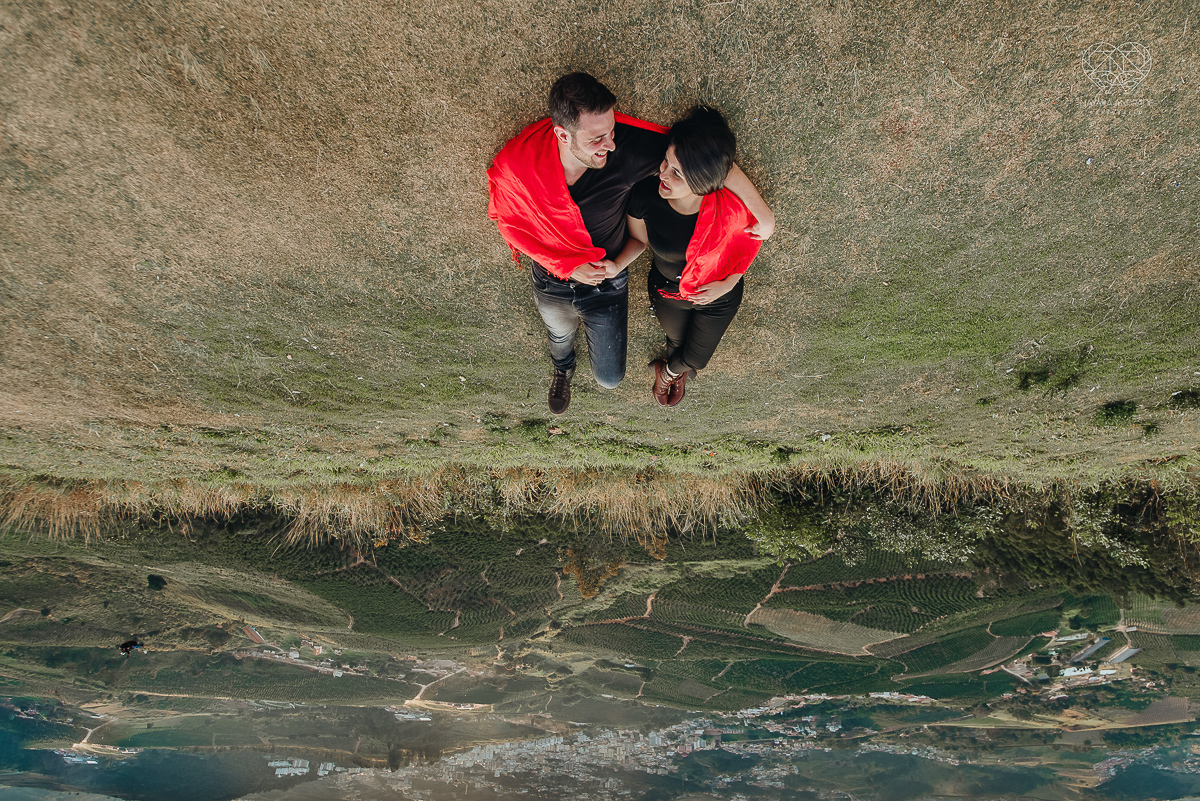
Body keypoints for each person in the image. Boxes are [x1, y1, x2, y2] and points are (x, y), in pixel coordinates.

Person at [488, 73, 774, 414]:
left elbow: (707, 164)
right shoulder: (518, 165)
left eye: (611, 131)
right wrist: (563, 265)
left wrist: (764, 217)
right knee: (559, 336)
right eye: (596, 139)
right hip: (552, 277)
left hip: (606, 282)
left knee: (610, 379)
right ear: (563, 134)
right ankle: (563, 368)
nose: (609, 144)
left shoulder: (626, 152)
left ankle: (666, 368)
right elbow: (510, 224)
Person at [625, 106, 763, 406]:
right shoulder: (646, 195)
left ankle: (669, 372)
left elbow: (744, 250)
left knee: (697, 358)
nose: (662, 173)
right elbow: (639, 239)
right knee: (676, 341)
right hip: (668, 290)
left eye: (677, 173)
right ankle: (678, 369)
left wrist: (728, 284)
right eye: (666, 161)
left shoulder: (728, 209)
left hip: (720, 291)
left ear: (702, 182)